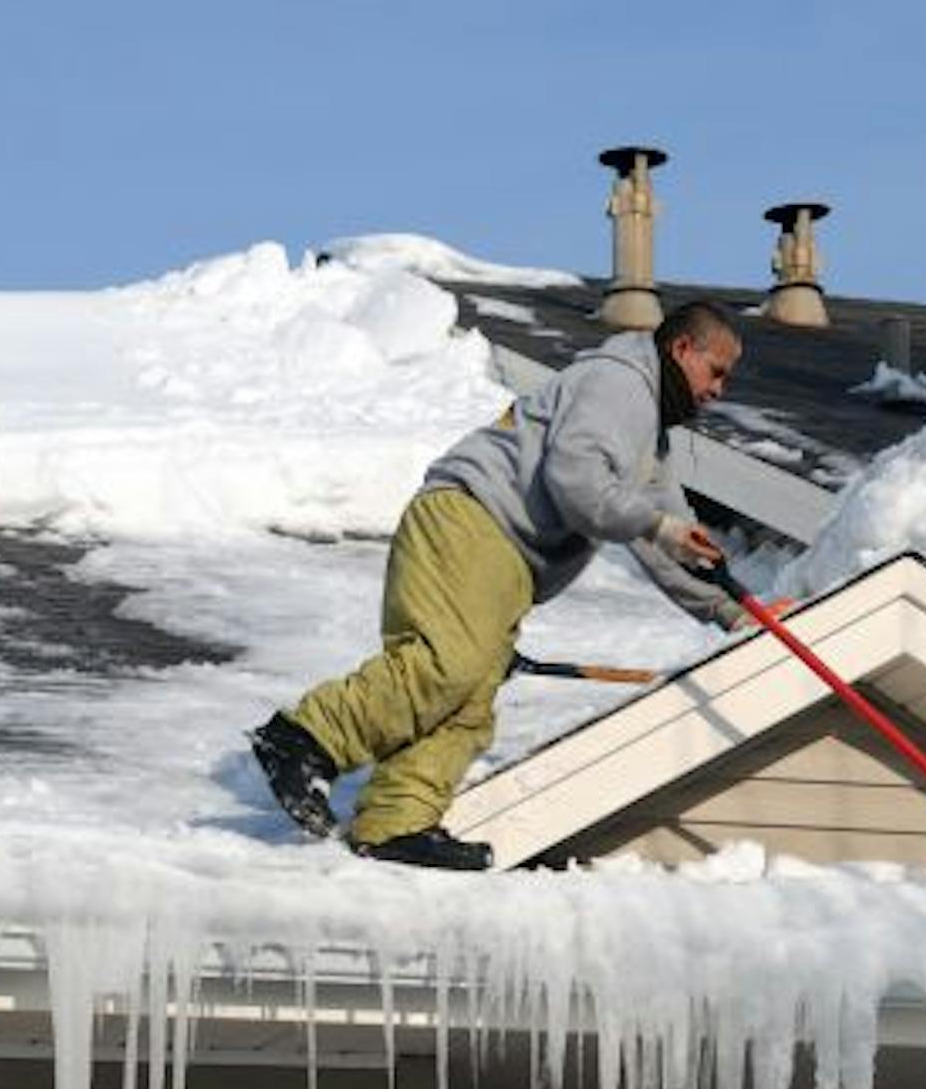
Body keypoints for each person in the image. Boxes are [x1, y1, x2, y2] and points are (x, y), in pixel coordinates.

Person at [249, 301, 755, 871]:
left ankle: (397, 823)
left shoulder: (649, 441)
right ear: (681, 349)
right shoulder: (619, 384)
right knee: (449, 664)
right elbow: (576, 478)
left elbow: (670, 544)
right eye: (717, 372)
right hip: (475, 519)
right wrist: (657, 525)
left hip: (507, 557)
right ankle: (302, 738)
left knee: (469, 700)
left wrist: (734, 612)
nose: (720, 391)